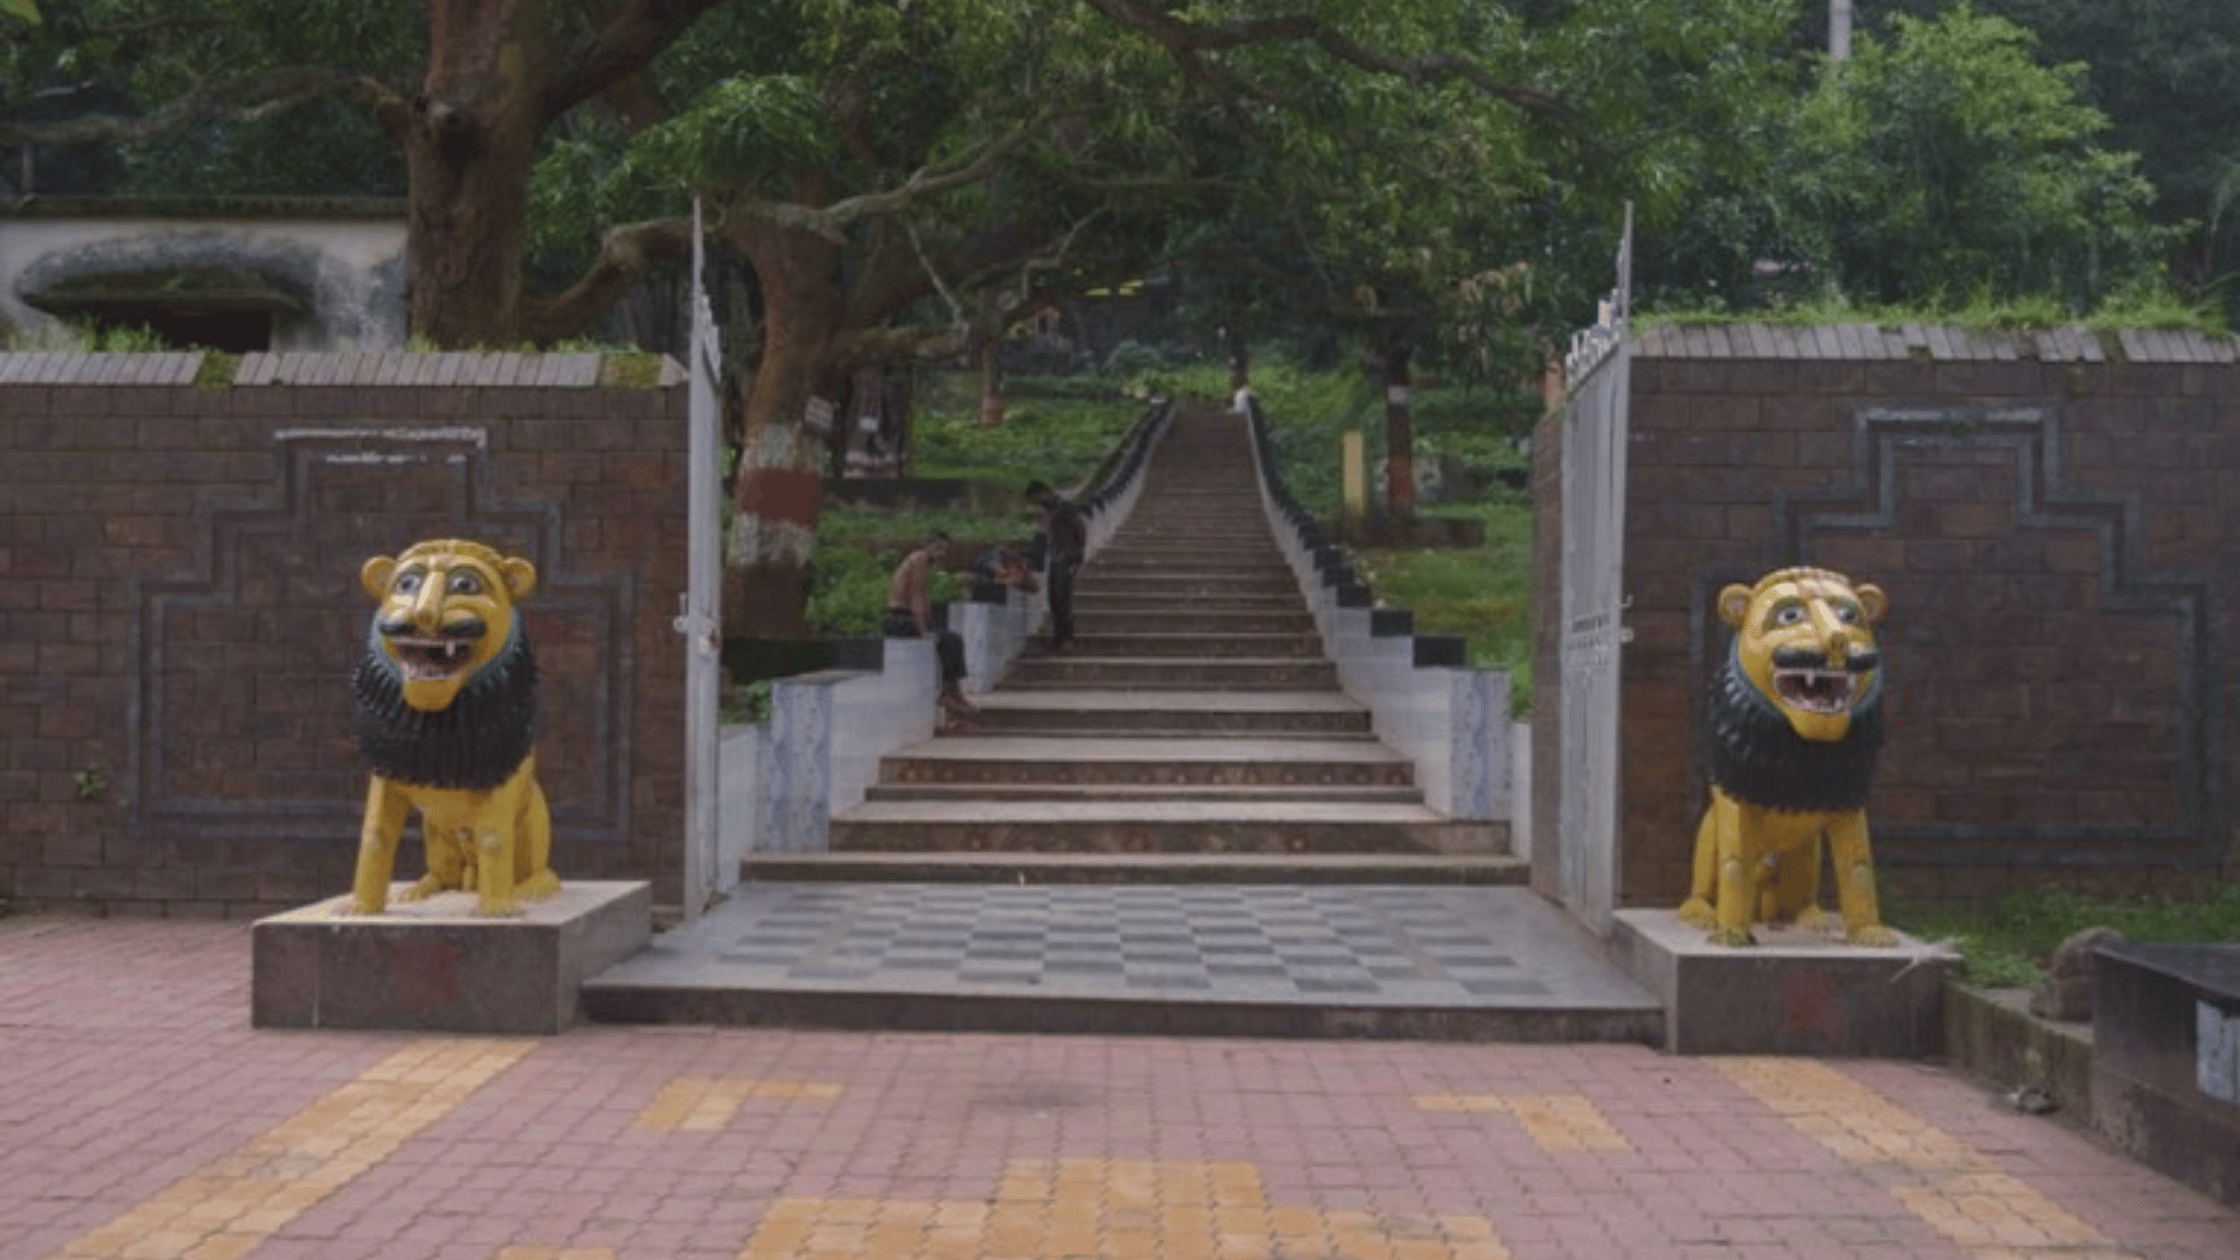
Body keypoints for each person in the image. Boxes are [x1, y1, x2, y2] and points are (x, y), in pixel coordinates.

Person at [883, 532, 975, 732]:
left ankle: (953, 691)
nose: (943, 554)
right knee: (950, 641)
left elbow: (922, 598)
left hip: (907, 619)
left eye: (945, 550)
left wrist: (929, 625)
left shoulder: (922, 562)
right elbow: (915, 596)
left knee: (951, 640)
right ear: (929, 547)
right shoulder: (919, 559)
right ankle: (949, 692)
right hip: (901, 620)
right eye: (939, 549)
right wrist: (924, 631)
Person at [1025, 479, 1086, 651]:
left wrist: (1078, 555)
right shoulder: (1049, 510)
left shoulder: (1064, 506)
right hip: (1054, 557)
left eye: (1035, 499)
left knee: (1063, 597)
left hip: (1067, 557)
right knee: (1053, 598)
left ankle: (1068, 638)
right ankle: (1058, 637)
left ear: (1042, 493)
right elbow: (1043, 533)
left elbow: (1079, 527)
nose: (1035, 503)